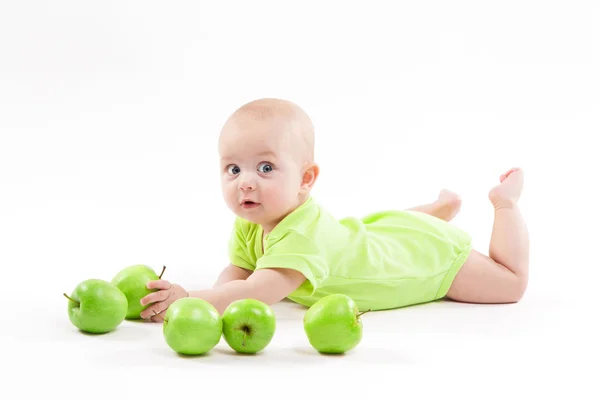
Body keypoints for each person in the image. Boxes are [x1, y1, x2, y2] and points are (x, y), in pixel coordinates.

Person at [139, 98, 529, 322]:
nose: (245, 181)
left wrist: (190, 298)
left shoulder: (302, 234)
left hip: (426, 258)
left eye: (266, 168)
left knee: (510, 284)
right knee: (385, 232)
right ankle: (435, 210)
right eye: (233, 168)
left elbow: (258, 289)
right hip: (377, 234)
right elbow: (240, 271)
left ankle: (504, 204)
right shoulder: (251, 218)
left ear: (306, 179)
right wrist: (220, 297)